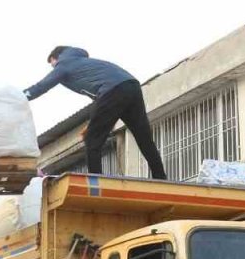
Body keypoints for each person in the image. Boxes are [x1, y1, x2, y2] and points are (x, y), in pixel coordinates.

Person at [24, 46, 168, 180]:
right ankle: (161, 177)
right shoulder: (85, 63)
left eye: (52, 63)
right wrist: (92, 123)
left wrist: (19, 97)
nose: (53, 67)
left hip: (112, 91)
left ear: (56, 58)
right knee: (143, 137)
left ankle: (95, 181)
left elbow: (42, 86)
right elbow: (104, 105)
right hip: (131, 85)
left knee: (91, 139)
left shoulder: (63, 64)